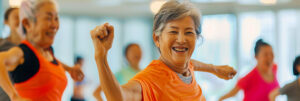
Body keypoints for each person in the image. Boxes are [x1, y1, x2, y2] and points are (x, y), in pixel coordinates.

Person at [90, 1, 236, 101]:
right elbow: (119, 97)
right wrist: (101, 58)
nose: (181, 39)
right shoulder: (151, 79)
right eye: (173, 31)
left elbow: (192, 64)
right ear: (157, 39)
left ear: (197, 38)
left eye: (189, 32)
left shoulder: (185, 67)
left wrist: (215, 69)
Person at [0, 0, 83, 101]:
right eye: (48, 18)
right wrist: (14, 96)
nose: (54, 25)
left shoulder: (48, 52)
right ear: (27, 24)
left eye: (56, 18)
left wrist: (69, 69)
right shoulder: (23, 52)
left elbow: (48, 63)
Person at [0, 7, 21, 101]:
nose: (20, 20)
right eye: (16, 17)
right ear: (6, 22)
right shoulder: (2, 45)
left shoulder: (32, 47)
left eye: (22, 16)